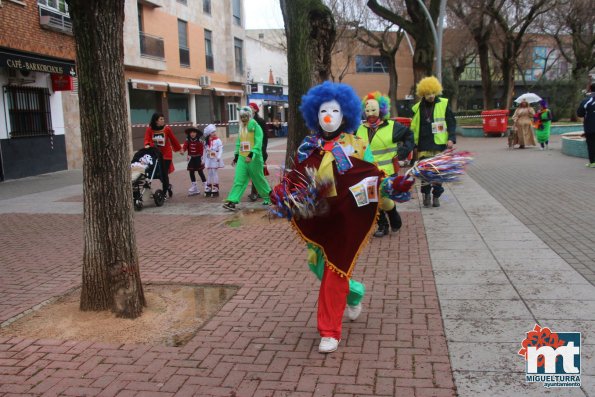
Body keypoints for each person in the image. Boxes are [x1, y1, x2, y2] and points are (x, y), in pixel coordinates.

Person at [271, 81, 387, 354]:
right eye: (324, 111)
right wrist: (283, 192)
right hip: (318, 216)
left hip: (346, 218)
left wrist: (388, 189)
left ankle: (329, 331)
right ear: (315, 113)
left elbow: (373, 175)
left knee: (334, 271)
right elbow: (296, 176)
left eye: (334, 111)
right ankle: (356, 292)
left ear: (345, 114)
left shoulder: (357, 145)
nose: (328, 116)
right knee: (318, 267)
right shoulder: (308, 146)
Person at [356, 91, 414, 237]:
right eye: (367, 111)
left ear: (381, 110)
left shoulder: (392, 126)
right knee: (373, 199)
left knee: (384, 198)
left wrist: (403, 151)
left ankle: (393, 217)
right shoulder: (360, 128)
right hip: (368, 172)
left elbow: (409, 135)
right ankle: (382, 225)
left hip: (387, 171)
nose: (371, 114)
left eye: (373, 110)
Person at [410, 76, 457, 208]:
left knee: (438, 172)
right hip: (423, 145)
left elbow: (451, 123)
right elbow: (413, 127)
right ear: (423, 94)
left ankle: (436, 195)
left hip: (439, 144)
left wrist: (451, 138)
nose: (430, 96)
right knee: (425, 173)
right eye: (427, 94)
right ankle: (426, 194)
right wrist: (413, 144)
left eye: (432, 93)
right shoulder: (417, 108)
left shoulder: (444, 103)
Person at [222, 107, 271, 211]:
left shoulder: (256, 127)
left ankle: (269, 197)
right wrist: (236, 156)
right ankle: (232, 200)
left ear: (249, 116)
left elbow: (258, 143)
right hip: (242, 158)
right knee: (238, 180)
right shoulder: (241, 128)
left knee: (258, 179)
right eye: (241, 117)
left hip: (255, 159)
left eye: (245, 116)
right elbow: (239, 143)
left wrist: (251, 154)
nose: (243, 118)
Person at [144, 113, 181, 198]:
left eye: (163, 119)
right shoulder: (150, 129)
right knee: (158, 174)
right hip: (155, 154)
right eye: (161, 119)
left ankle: (163, 194)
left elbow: (173, 139)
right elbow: (147, 139)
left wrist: (179, 148)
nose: (163, 121)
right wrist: (147, 144)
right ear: (156, 121)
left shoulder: (167, 129)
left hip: (166, 154)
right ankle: (168, 186)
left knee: (164, 173)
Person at [248, 102, 269, 202]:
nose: (249, 109)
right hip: (249, 149)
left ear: (255, 110)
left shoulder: (260, 121)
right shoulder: (246, 121)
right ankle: (262, 191)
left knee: (256, 171)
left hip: (259, 149)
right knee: (253, 171)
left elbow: (265, 137)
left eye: (251, 107)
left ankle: (255, 193)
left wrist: (263, 149)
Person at [181, 127, 207, 196]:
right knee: (191, 172)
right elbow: (185, 147)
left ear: (197, 133)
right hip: (191, 158)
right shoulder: (187, 140)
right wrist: (183, 151)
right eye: (191, 132)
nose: (192, 134)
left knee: (200, 172)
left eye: (194, 132)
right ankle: (194, 187)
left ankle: (205, 185)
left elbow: (202, 150)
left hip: (198, 158)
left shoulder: (200, 141)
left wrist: (202, 159)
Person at [202, 124, 224, 197]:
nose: (214, 133)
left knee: (214, 172)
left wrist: (219, 157)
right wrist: (203, 159)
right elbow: (204, 151)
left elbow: (221, 149)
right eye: (212, 132)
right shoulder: (206, 142)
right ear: (209, 134)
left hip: (215, 159)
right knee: (209, 173)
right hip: (209, 159)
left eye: (214, 131)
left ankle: (215, 187)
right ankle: (208, 187)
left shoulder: (218, 140)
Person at [577, 83, 595, 167]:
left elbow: (580, 113)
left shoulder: (586, 101)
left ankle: (593, 162)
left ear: (590, 90)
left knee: (591, 145)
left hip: (590, 127)